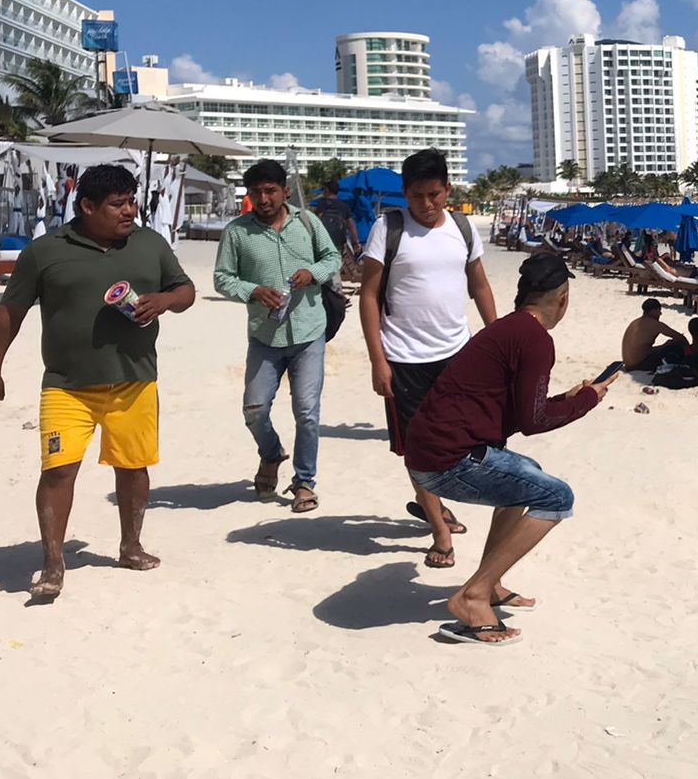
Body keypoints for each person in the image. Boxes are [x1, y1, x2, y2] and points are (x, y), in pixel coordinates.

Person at [0, 164, 196, 600]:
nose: (130, 210)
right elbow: (10, 311)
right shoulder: (45, 251)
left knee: (134, 467)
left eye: (132, 200)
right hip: (66, 385)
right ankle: (53, 563)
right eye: (118, 204)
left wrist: (166, 300)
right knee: (58, 470)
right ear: (87, 206)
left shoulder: (150, 244)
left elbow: (186, 289)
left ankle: (131, 546)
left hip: (135, 381)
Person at [405, 253, 620, 645]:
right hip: (448, 460)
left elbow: (523, 414)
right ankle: (473, 595)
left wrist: (569, 397)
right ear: (563, 299)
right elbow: (536, 423)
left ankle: (492, 582)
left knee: (527, 474)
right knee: (557, 496)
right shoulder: (536, 339)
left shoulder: (509, 328)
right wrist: (588, 400)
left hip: (426, 453)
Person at [359, 147, 497, 567]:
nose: (426, 204)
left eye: (434, 194)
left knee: (460, 442)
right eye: (417, 195)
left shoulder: (462, 227)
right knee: (415, 449)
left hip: (457, 354)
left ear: (447, 189)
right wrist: (377, 361)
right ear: (405, 193)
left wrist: (498, 338)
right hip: (403, 359)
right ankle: (439, 531)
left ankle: (435, 502)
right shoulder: (389, 228)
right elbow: (367, 296)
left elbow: (480, 286)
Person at [214, 160, 341, 513]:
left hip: (308, 331)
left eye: (270, 191)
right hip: (264, 336)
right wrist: (254, 291)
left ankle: (304, 483)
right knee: (254, 410)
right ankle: (271, 454)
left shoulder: (307, 221)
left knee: (308, 413)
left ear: (285, 191)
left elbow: (332, 257)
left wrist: (312, 272)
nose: (263, 198)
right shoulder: (238, 231)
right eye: (256, 192)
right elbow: (222, 278)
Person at [621, 299, 688, 372]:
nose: (660, 314)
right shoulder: (655, 324)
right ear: (653, 311)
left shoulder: (635, 323)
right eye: (659, 311)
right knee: (676, 345)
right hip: (639, 365)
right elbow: (680, 337)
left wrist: (663, 345)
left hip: (629, 364)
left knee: (669, 345)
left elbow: (643, 349)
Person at [311, 180, 359, 268]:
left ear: (327, 190)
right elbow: (352, 226)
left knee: (322, 263)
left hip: (323, 241)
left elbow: (316, 221)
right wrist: (356, 242)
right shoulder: (344, 206)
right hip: (338, 242)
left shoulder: (322, 204)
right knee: (336, 263)